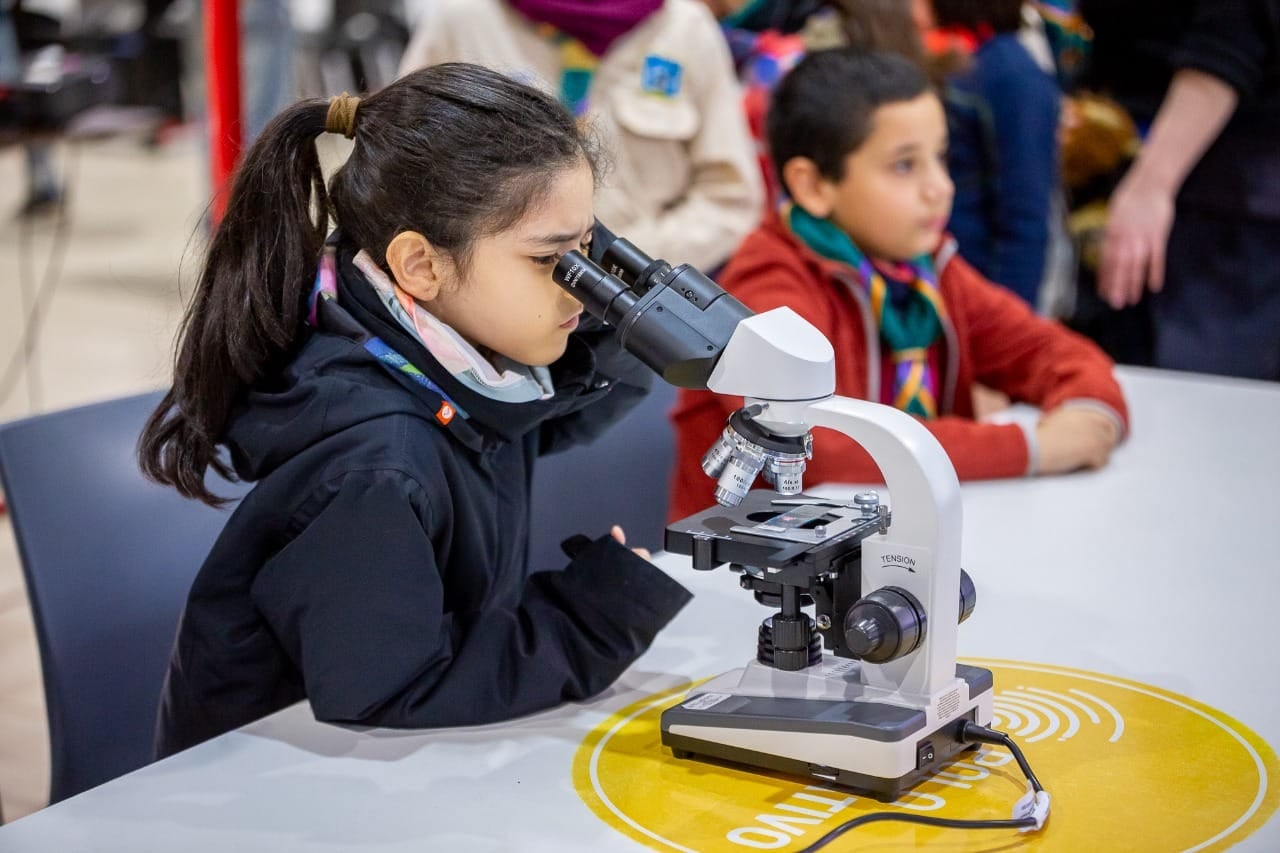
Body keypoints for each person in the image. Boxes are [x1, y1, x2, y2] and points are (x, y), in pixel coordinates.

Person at [139, 63, 692, 757]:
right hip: (260, 791)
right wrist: (588, 621)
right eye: (552, 259)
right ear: (421, 266)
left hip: (370, 764)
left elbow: (553, 419)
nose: (580, 283)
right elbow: (393, 687)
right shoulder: (374, 464)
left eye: (589, 247)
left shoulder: (434, 345)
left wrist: (614, 322)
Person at [669, 48, 1128, 520]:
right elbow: (815, 446)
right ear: (813, 187)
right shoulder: (766, 289)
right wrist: (1031, 447)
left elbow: (1055, 352)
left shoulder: (928, 269)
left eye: (941, 157)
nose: (941, 188)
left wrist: (1090, 412)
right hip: (746, 567)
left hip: (895, 539)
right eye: (905, 166)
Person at [397, 0, 761, 273]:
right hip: (486, 305)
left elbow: (729, 198)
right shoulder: (463, 21)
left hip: (635, 309)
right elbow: (398, 170)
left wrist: (619, 261)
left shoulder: (684, 29)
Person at [1084, 0, 1280, 380]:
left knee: (1201, 397)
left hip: (1222, 208)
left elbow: (1235, 35)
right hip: (1154, 173)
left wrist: (1151, 184)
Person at [930, 0, 1061, 307]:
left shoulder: (1012, 75)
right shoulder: (964, 58)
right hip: (947, 281)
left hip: (980, 286)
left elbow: (1025, 217)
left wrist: (1011, 315)